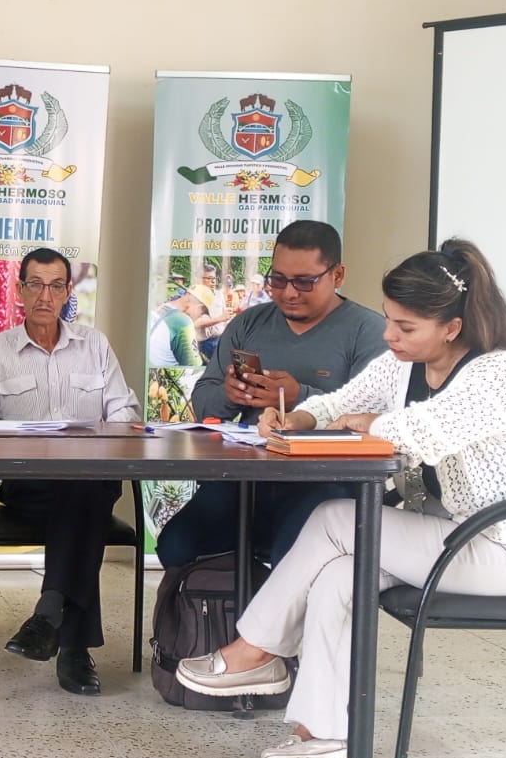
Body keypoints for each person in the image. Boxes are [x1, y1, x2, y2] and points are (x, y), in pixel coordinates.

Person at [175, 239, 506, 758]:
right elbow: (339, 403)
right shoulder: (405, 365)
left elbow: (422, 432)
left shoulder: (500, 372)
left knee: (335, 519)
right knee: (339, 576)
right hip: (445, 537)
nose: (389, 336)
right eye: (388, 320)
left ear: (451, 327)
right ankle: (322, 732)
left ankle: (256, 648)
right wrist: (296, 418)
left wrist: (369, 423)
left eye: (405, 327)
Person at [0, 248, 140, 695]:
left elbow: (125, 412)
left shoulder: (95, 345)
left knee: (82, 486)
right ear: (19, 290)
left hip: (88, 480)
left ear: (69, 292)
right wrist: (0, 432)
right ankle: (73, 646)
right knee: (84, 502)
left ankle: (49, 614)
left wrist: (100, 433)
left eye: (55, 286)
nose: (45, 296)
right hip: (28, 486)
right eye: (35, 285)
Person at [155, 221, 388, 570]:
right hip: (247, 479)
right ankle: (241, 598)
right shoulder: (249, 323)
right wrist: (232, 394)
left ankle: (266, 600)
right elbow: (203, 402)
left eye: (304, 282)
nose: (289, 293)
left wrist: (297, 397)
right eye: (277, 280)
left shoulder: (368, 331)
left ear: (337, 275)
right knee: (176, 547)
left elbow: (373, 419)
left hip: (328, 483)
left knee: (291, 558)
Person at [147, 282, 207, 369]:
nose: (199, 317)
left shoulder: (161, 308)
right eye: (202, 313)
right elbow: (194, 367)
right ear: (199, 307)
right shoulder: (183, 322)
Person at [189, 261, 235, 361]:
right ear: (200, 279)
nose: (213, 281)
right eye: (209, 278)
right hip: (203, 343)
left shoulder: (219, 295)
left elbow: (225, 317)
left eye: (214, 278)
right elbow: (196, 323)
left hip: (220, 339)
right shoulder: (195, 297)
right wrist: (220, 318)